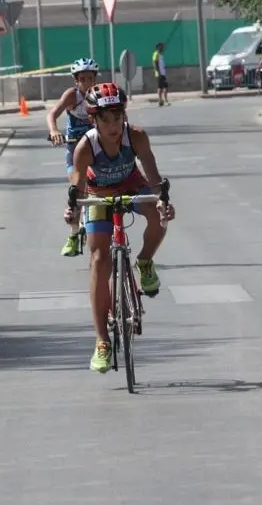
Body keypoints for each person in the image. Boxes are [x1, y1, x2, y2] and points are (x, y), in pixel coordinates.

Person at [64, 83, 175, 373]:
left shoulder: (136, 136)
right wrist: (73, 210)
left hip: (132, 186)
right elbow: (77, 187)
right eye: (105, 120)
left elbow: (153, 177)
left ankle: (145, 261)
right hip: (98, 194)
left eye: (118, 118)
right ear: (93, 120)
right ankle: (102, 341)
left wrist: (162, 201)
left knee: (157, 217)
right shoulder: (85, 147)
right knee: (99, 260)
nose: (113, 126)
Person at [47, 58, 99, 257]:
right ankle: (74, 234)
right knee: (77, 191)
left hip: (95, 149)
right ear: (76, 81)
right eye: (82, 79)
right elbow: (52, 114)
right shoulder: (72, 95)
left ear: (95, 79)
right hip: (74, 150)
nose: (86, 83)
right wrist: (54, 131)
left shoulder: (100, 94)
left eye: (90, 78)